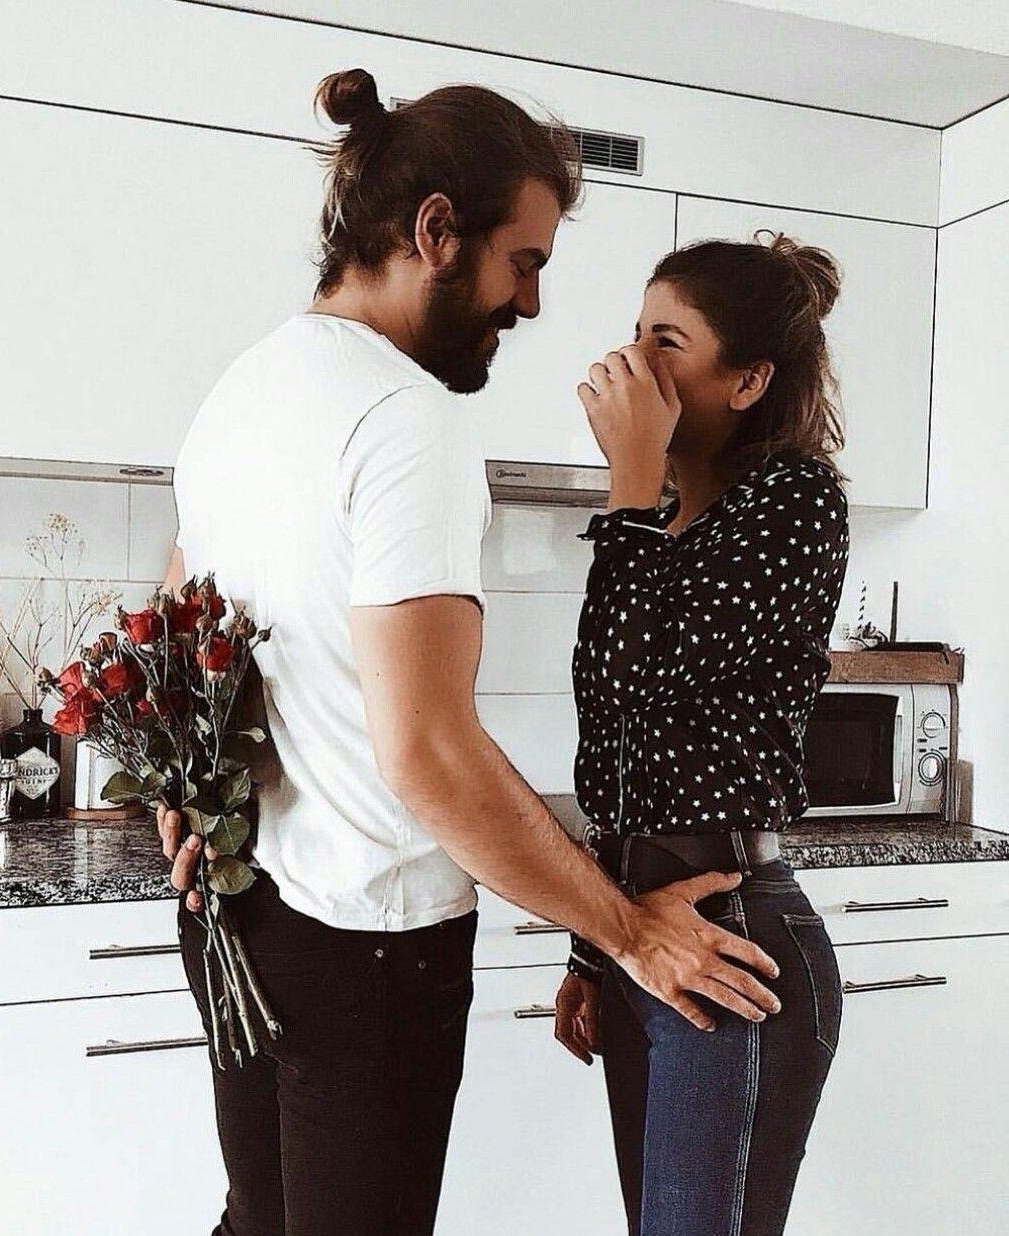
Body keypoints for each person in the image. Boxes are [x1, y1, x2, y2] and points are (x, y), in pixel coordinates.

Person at [159, 69, 779, 1236]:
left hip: (239, 915)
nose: (531, 303)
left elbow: (181, 626)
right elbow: (430, 753)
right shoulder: (410, 421)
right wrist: (629, 931)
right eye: (524, 262)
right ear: (438, 231)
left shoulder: (239, 394)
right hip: (363, 951)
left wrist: (186, 790)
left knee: (256, 1222)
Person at [554, 232, 850, 1236]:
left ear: (748, 380)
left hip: (734, 936)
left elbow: (635, 672)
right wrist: (594, 948)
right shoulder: (666, 522)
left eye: (667, 342)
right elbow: (613, 735)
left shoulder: (794, 501)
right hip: (643, 934)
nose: (633, 362)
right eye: (635, 333)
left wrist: (630, 478)